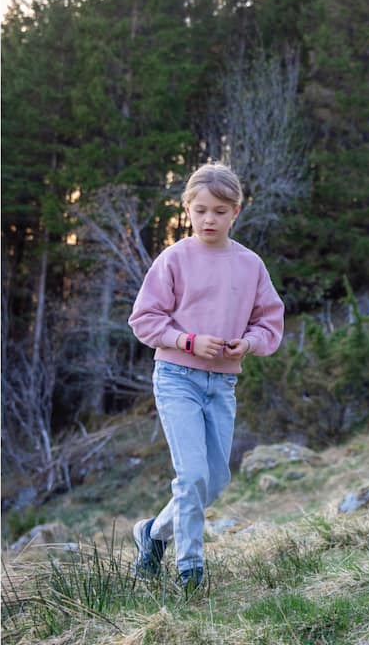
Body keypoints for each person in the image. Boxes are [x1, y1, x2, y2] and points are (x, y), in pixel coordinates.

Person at [128, 162, 284, 590]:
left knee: (214, 481)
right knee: (192, 475)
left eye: (219, 210)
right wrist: (188, 341)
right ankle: (190, 568)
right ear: (187, 210)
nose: (209, 219)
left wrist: (247, 345)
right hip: (177, 376)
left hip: (223, 384)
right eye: (200, 210)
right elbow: (144, 319)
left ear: (236, 211)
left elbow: (269, 322)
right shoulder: (174, 258)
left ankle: (152, 534)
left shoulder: (250, 264)